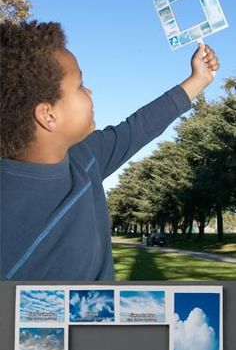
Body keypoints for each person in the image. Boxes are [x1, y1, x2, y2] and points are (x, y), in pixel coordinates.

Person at [0, 20, 219, 281]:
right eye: (80, 85)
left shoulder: (86, 156)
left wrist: (199, 79)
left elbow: (139, 126)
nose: (90, 91)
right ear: (48, 115)